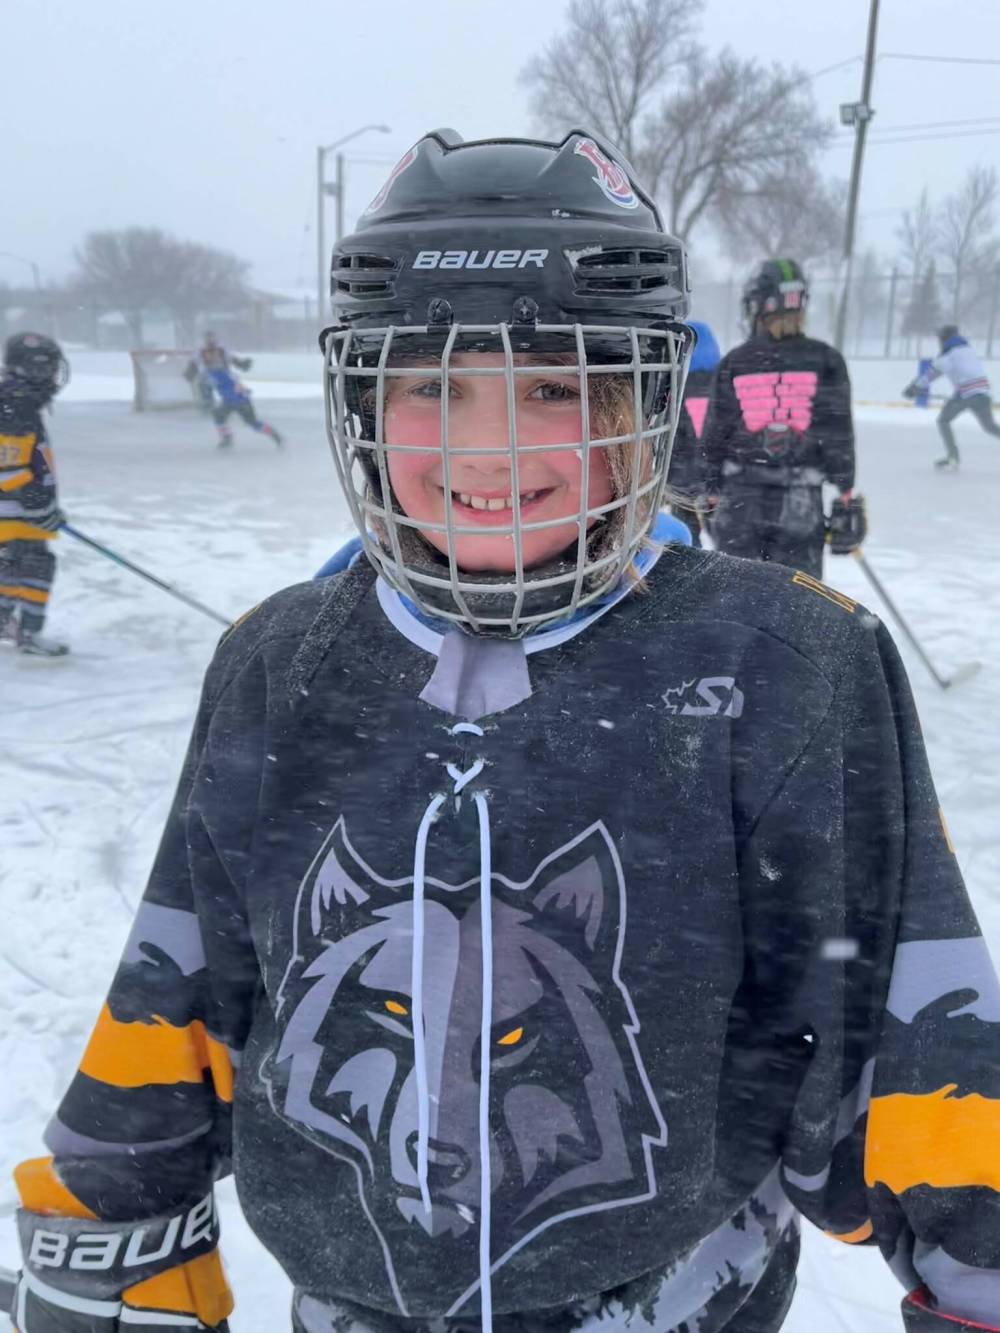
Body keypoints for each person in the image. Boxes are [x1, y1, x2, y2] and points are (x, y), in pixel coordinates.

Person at [9, 132, 999, 1333]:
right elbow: (187, 972)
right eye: (434, 386)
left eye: (554, 386)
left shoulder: (783, 664)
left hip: (682, 1301)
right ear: (364, 399)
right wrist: (108, 1239)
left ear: (642, 405)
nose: (495, 446)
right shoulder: (282, 663)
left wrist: (972, 1268)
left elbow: (907, 1018)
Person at [701, 259, 855, 579]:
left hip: (740, 498)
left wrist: (711, 487)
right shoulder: (825, 359)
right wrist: (845, 491)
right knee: (797, 603)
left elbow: (717, 432)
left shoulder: (736, 361)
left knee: (736, 593)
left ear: (758, 305)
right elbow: (837, 432)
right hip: (800, 502)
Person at [0, 332, 70, 656]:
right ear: (33, 367)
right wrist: (40, 506)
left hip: (16, 513)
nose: (53, 375)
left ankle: (5, 623)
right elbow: (10, 467)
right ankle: (28, 632)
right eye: (49, 367)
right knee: (35, 567)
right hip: (16, 512)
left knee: (11, 567)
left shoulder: (16, 398)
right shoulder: (16, 402)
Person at [903, 323, 1000, 470]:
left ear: (944, 338)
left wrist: (914, 388)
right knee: (990, 426)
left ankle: (953, 457)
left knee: (943, 421)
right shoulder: (969, 350)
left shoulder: (948, 355)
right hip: (984, 394)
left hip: (965, 395)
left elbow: (931, 374)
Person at [667, 317, 720, 546]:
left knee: (688, 539)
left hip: (682, 482)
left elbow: (672, 440)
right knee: (723, 540)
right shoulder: (722, 386)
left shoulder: (673, 387)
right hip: (715, 479)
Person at [184, 332, 283, 448]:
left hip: (239, 399)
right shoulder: (211, 369)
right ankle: (227, 438)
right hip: (230, 400)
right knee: (219, 416)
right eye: (209, 356)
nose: (212, 357)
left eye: (214, 355)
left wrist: (241, 364)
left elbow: (230, 362)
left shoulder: (217, 370)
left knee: (252, 422)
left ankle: (272, 433)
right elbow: (198, 370)